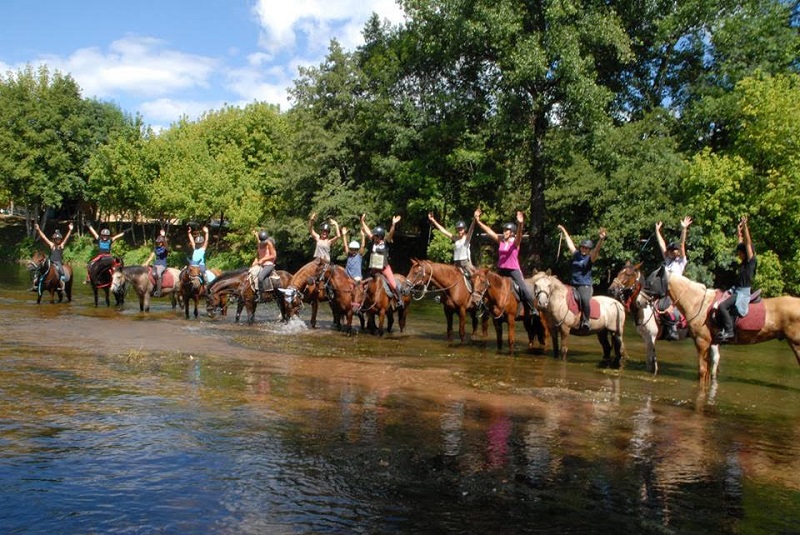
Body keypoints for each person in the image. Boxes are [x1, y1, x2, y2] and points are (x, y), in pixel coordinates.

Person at [473, 208, 536, 313]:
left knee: (523, 288)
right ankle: (485, 306)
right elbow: (489, 231)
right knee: (488, 285)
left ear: (512, 233)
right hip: (501, 269)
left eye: (506, 230)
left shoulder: (515, 243)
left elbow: (519, 234)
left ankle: (533, 308)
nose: (504, 232)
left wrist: (520, 224)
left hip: (513, 270)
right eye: (504, 230)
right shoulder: (501, 241)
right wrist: (478, 221)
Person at [557, 224, 607, 331]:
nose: (584, 249)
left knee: (585, 301)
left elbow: (596, 251)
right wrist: (564, 230)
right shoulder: (576, 255)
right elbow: (570, 243)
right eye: (583, 247)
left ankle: (586, 321)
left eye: (586, 248)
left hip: (584, 286)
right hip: (572, 284)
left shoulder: (590, 258)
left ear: (589, 250)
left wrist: (601, 240)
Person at [715, 216, 756, 343]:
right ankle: (723, 328)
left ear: (746, 253)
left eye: (740, 253)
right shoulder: (743, 262)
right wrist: (739, 233)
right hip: (736, 290)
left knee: (722, 307)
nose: (738, 254)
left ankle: (729, 332)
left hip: (743, 292)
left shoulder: (750, 261)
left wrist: (745, 228)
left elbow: (747, 244)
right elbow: (741, 244)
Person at [654, 216, 692, 340]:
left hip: (676, 291)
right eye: (670, 250)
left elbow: (682, 244)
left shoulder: (681, 261)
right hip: (664, 289)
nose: (672, 252)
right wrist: (657, 231)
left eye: (674, 250)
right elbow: (661, 245)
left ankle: (673, 329)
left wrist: (684, 229)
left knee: (668, 308)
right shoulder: (668, 260)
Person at [360, 213, 404, 307]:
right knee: (363, 283)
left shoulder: (385, 242)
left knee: (392, 283)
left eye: (375, 235)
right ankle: (361, 302)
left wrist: (393, 224)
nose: (374, 236)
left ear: (380, 236)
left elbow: (391, 234)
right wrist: (362, 221)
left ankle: (399, 299)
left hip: (384, 268)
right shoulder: (373, 241)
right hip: (374, 269)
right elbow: (368, 232)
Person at [33, 222, 73, 291]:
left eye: (59, 239)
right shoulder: (52, 245)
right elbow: (44, 237)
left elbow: (66, 237)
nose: (58, 240)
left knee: (61, 270)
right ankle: (36, 281)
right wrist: (38, 229)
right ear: (54, 239)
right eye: (57, 239)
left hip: (58, 262)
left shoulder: (61, 245)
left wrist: (70, 230)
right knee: (41, 268)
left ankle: (62, 281)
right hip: (51, 261)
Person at [251, 229, 277, 293]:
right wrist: (255, 261)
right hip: (261, 265)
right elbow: (258, 255)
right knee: (250, 274)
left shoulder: (269, 244)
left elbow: (273, 255)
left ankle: (261, 295)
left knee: (260, 277)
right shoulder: (259, 244)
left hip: (269, 265)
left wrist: (263, 259)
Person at [145, 229, 169, 296]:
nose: (158, 243)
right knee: (149, 273)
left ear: (162, 242)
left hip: (162, 265)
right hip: (155, 264)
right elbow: (151, 256)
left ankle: (159, 291)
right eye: (158, 242)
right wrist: (146, 263)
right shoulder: (156, 248)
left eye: (160, 242)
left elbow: (167, 248)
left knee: (158, 273)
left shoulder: (165, 249)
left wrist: (164, 238)